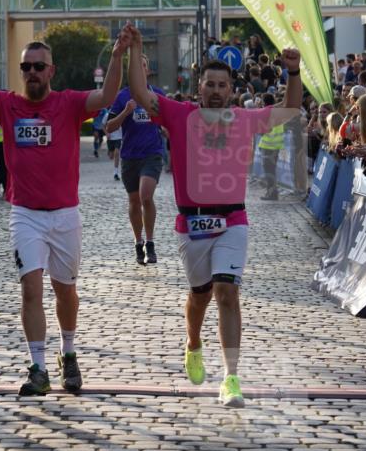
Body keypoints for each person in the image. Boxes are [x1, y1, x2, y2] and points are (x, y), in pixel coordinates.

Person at [0, 16, 129, 396]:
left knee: (65, 292)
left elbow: (108, 96)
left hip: (65, 214)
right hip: (25, 215)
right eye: (25, 67)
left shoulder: (68, 104)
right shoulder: (7, 105)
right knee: (30, 290)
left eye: (38, 67)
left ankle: (68, 352)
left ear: (51, 70)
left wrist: (117, 55)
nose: (31, 73)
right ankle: (38, 367)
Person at [129, 28, 302, 408]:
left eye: (223, 85)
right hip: (191, 224)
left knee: (227, 292)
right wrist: (135, 51)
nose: (217, 90)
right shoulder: (178, 114)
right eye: (210, 84)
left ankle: (231, 377)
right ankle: (193, 342)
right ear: (199, 88)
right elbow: (142, 95)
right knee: (200, 296)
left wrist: (293, 72)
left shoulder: (245, 118)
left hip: (233, 220)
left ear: (231, 88)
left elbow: (290, 109)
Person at [105, 55, 165, 265]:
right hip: (130, 156)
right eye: (135, 67)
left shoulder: (157, 94)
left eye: (143, 66)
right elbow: (109, 126)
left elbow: (169, 122)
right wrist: (125, 112)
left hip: (152, 153)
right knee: (134, 201)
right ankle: (138, 242)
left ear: (148, 71)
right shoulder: (123, 97)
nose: (140, 70)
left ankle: (150, 242)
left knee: (146, 196)